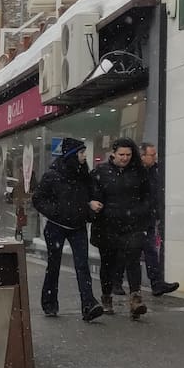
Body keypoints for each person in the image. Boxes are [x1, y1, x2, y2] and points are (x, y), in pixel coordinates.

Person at [31, 138, 104, 322]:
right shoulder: (52, 175)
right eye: (81, 152)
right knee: (53, 265)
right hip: (56, 227)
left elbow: (89, 196)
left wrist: (90, 207)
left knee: (82, 265)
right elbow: (38, 199)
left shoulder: (84, 175)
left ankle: (88, 304)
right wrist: (55, 212)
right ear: (72, 155)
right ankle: (49, 303)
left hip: (78, 226)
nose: (84, 155)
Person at [90, 138, 153, 319]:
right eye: (121, 155)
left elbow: (147, 196)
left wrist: (141, 212)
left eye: (128, 155)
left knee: (133, 259)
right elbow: (93, 193)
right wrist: (94, 205)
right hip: (107, 224)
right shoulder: (101, 172)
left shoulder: (138, 173)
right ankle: (106, 296)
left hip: (132, 223)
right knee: (108, 263)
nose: (125, 158)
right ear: (113, 154)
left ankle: (135, 298)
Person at [139, 143, 179, 296]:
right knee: (130, 253)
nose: (155, 158)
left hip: (149, 217)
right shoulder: (136, 172)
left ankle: (156, 283)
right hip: (135, 217)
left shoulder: (157, 171)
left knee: (150, 250)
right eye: (152, 155)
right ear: (143, 156)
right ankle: (117, 283)